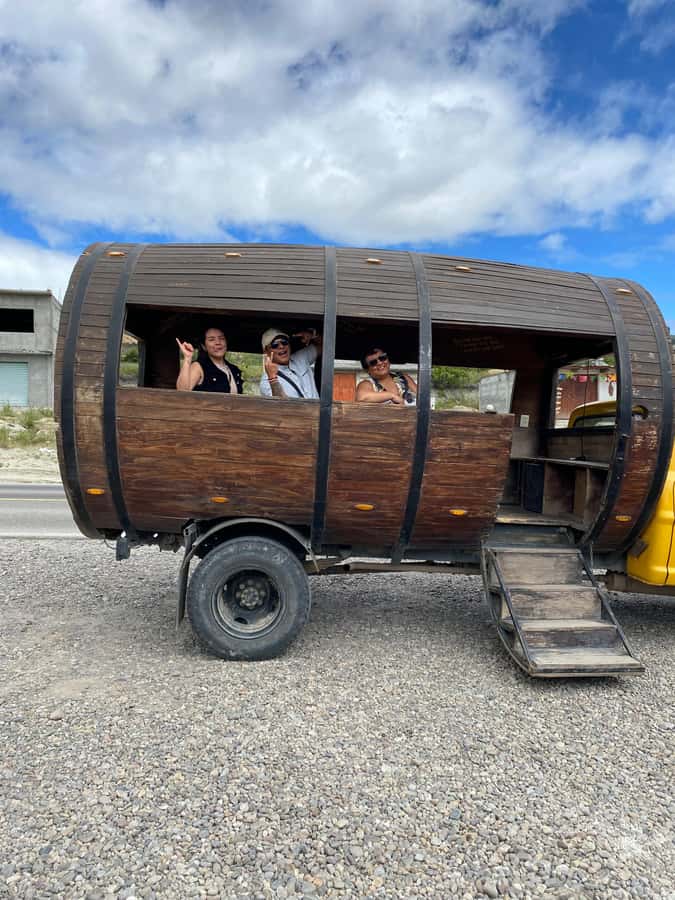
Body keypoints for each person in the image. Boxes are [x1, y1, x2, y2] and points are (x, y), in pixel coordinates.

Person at [176, 326, 243, 394]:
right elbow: (182, 391)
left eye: (221, 338)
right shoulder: (198, 366)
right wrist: (187, 358)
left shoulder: (234, 369)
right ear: (204, 346)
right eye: (211, 340)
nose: (218, 342)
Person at [261, 326, 322, 399]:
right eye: (275, 345)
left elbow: (325, 345)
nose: (281, 346)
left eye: (284, 342)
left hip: (318, 410)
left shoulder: (301, 357)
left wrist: (313, 335)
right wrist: (273, 379)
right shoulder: (266, 381)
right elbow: (279, 406)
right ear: (266, 351)